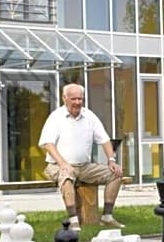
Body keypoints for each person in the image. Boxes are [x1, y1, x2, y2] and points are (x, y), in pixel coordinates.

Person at [38, 83, 124, 231]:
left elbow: (104, 140)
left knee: (116, 174)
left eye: (80, 99)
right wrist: (63, 164)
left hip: (84, 166)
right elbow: (47, 144)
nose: (77, 102)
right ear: (65, 98)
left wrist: (111, 160)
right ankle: (73, 220)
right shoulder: (56, 117)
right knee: (66, 176)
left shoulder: (89, 116)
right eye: (73, 99)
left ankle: (107, 217)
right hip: (57, 165)